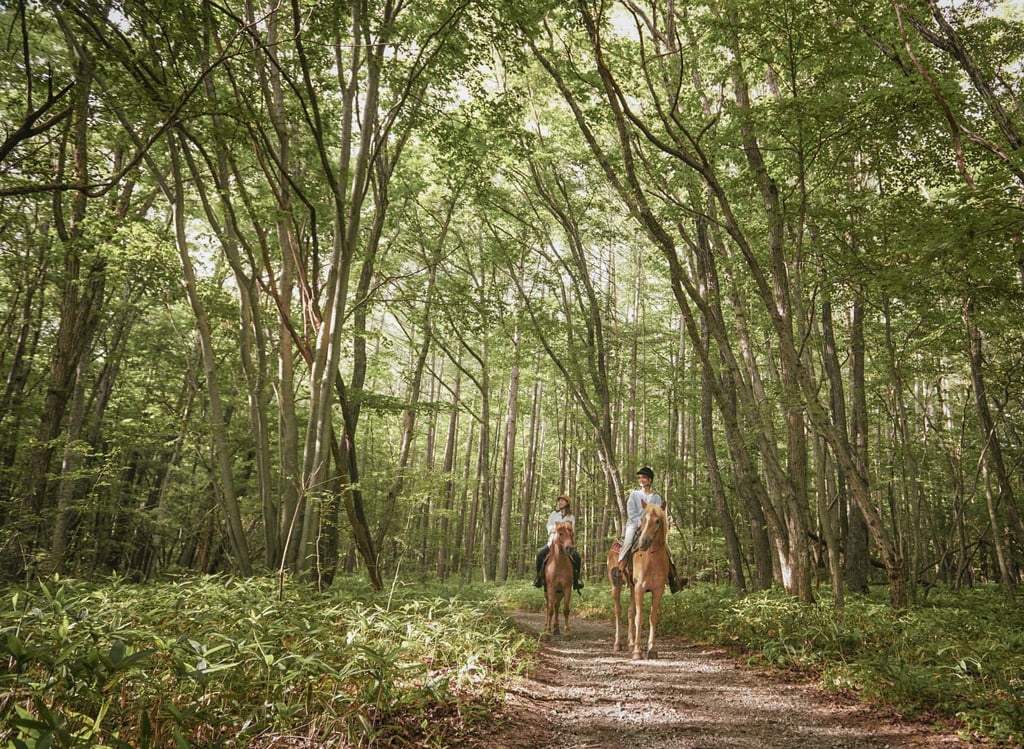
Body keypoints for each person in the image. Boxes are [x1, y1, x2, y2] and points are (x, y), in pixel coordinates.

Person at [614, 466, 686, 593]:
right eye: (640, 478)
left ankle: (674, 578)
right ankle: (619, 570)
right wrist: (643, 523)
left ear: (650, 480)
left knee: (666, 548)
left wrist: (651, 525)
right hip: (635, 524)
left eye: (644, 477)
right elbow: (631, 513)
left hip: (652, 527)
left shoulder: (656, 498)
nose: (641, 480)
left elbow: (659, 514)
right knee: (628, 542)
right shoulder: (634, 495)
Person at [533, 494, 584, 592]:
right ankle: (539, 579)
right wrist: (557, 529)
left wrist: (563, 530)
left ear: (567, 503)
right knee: (540, 556)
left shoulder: (571, 517)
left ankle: (576, 581)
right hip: (552, 542)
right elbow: (548, 527)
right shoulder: (553, 514)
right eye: (559, 501)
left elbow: (571, 530)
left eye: (562, 501)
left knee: (577, 558)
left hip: (566, 544)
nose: (560, 502)